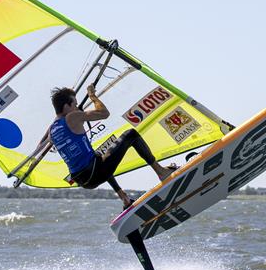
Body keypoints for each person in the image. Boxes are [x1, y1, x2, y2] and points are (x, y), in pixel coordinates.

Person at [48, 84, 177, 208]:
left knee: (100, 156)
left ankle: (124, 197)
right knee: (130, 134)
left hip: (82, 179)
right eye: (75, 104)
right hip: (94, 172)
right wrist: (92, 96)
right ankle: (161, 172)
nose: (77, 107)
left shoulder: (51, 131)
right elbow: (104, 113)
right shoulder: (72, 117)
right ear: (66, 106)